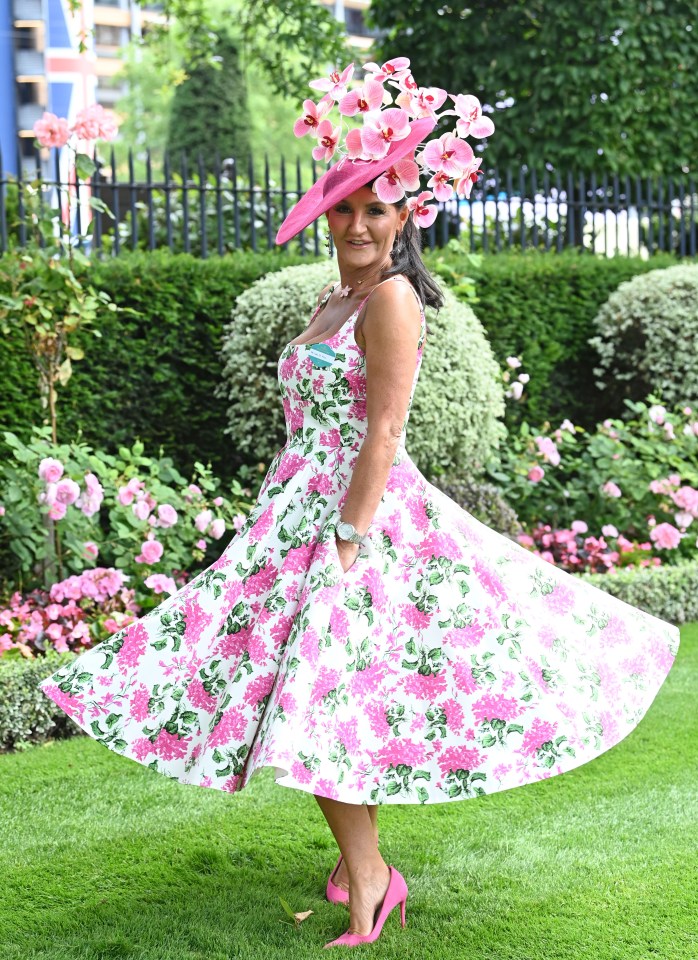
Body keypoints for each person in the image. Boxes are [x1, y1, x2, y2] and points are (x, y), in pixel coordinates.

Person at [39, 57, 680, 950]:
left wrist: (346, 540)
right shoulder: (332, 297)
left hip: (356, 524)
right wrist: (278, 513)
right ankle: (359, 864)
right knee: (319, 698)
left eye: (375, 208)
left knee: (315, 700)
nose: (356, 222)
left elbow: (382, 433)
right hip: (296, 512)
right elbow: (309, 420)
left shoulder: (390, 300)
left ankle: (372, 876)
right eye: (343, 206)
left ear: (405, 215)